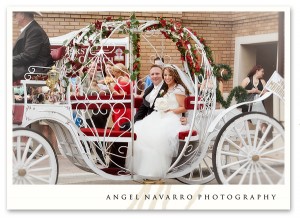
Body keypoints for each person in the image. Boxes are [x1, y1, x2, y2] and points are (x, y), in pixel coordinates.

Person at [125, 65, 190, 179]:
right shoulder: (165, 89)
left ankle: (155, 171)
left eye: (170, 75)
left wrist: (170, 110)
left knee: (156, 135)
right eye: (165, 75)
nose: (167, 77)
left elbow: (184, 107)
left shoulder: (178, 88)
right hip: (161, 115)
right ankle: (143, 168)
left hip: (173, 117)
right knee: (140, 130)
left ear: (175, 76)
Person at [13, 11, 53, 82]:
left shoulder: (34, 30)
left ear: (22, 15)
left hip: (34, 68)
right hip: (29, 66)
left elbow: (28, 56)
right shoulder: (31, 29)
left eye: (15, 14)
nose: (13, 16)